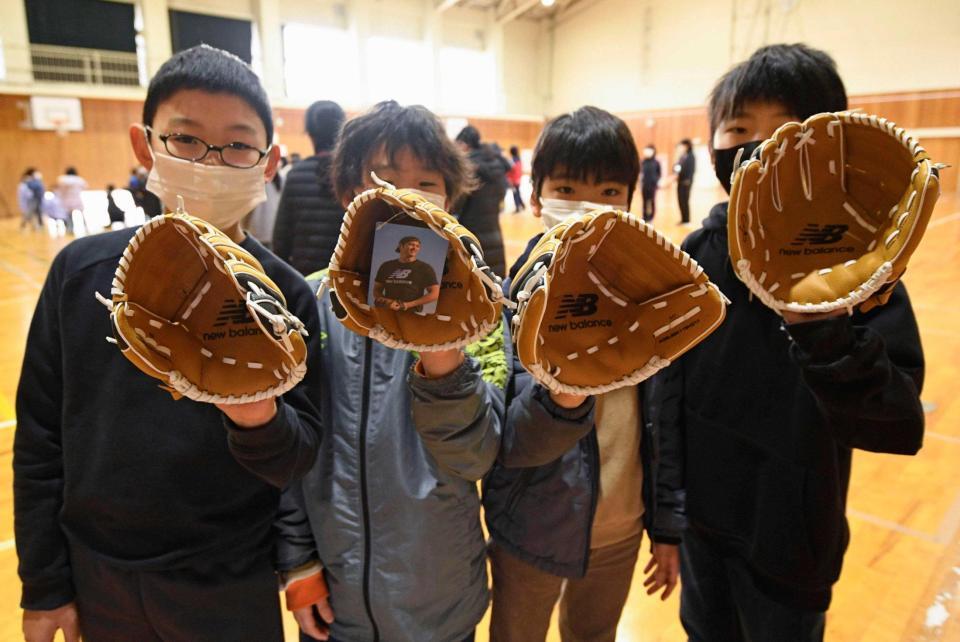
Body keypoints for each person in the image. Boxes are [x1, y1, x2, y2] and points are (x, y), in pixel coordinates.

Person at [14, 44, 323, 642]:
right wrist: (46, 583)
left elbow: (298, 457)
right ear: (145, 145)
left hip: (232, 577)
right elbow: (40, 440)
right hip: (98, 575)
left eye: (237, 144)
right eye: (185, 139)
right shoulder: (79, 274)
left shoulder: (286, 296)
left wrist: (255, 414)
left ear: (268, 162)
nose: (210, 161)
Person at [661, 43, 925, 642]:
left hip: (792, 547)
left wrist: (822, 330)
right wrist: (669, 518)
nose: (756, 147)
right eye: (737, 128)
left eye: (785, 130)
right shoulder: (693, 264)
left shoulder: (860, 274)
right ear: (714, 145)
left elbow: (895, 424)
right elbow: (668, 406)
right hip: (705, 533)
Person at [275, 100, 503, 642]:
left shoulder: (480, 313)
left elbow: (477, 454)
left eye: (426, 183)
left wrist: (443, 350)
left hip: (441, 601)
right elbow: (285, 448)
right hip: (334, 601)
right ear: (350, 195)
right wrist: (298, 562)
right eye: (383, 180)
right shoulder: (306, 305)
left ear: (449, 199)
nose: (406, 199)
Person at [483, 105, 682, 642]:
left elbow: (667, 422)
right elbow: (508, 443)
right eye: (567, 188)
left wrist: (667, 526)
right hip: (532, 527)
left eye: (609, 192)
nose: (587, 207)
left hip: (621, 525)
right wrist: (562, 392)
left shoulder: (651, 298)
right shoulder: (505, 301)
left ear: (632, 200)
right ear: (536, 195)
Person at [272, 100, 346, 275]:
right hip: (346, 276)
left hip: (305, 276)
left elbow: (281, 238)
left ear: (311, 134)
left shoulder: (295, 174)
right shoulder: (355, 175)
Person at [455, 125, 509, 277]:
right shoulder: (497, 165)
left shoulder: (468, 167)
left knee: (471, 283)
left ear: (464, 144)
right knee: (493, 282)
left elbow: (457, 203)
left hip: (470, 230)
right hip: (493, 229)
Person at [372, 235, 440, 313]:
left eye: (417, 246)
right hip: (387, 311)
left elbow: (434, 293)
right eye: (411, 244)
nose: (415, 248)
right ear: (401, 246)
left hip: (412, 313)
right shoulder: (386, 266)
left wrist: (407, 305)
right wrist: (386, 301)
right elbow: (377, 289)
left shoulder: (425, 268)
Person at [56, 167, 88, 232]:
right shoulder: (79, 179)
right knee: (82, 215)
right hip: (77, 199)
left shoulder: (62, 179)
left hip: (67, 200)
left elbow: (59, 189)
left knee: (69, 216)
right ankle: (85, 227)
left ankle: (70, 228)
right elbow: (86, 187)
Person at [672, 138, 695, 224]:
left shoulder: (690, 156)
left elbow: (689, 170)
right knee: (680, 201)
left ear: (687, 146)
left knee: (685, 201)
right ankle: (683, 219)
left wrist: (687, 179)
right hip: (680, 182)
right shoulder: (682, 156)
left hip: (686, 182)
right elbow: (676, 167)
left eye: (682, 146)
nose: (680, 148)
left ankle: (686, 220)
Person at [640, 144, 661, 222]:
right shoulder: (643, 161)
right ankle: (645, 216)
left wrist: (655, 181)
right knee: (645, 201)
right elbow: (641, 173)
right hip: (644, 185)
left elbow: (659, 173)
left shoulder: (656, 162)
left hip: (652, 186)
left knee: (652, 201)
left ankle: (651, 217)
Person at [507, 145, 524, 213]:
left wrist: (508, 178)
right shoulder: (519, 160)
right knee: (517, 192)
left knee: (515, 193)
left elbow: (510, 171)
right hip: (518, 179)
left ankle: (517, 207)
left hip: (513, 180)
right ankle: (522, 205)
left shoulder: (512, 161)